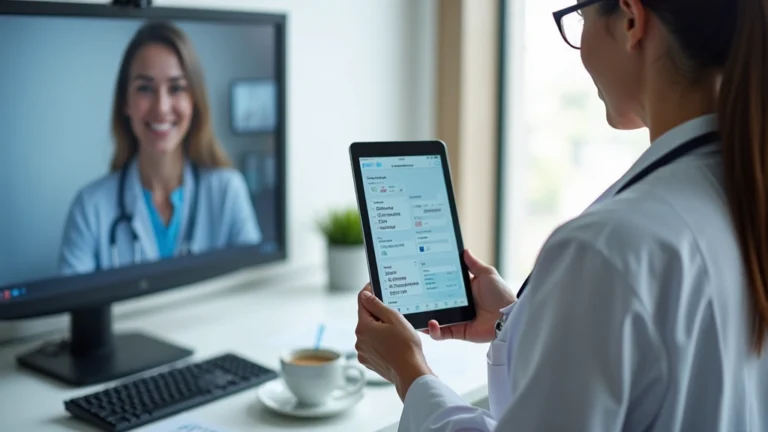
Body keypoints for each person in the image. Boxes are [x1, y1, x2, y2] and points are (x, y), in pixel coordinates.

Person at [354, 0, 768, 430]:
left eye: (580, 19)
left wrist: (409, 372)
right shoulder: (739, 191)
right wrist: (521, 321)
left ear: (630, 19)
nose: (581, 47)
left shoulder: (606, 248)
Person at [58, 21, 261, 275]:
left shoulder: (228, 191)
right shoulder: (89, 208)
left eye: (176, 88)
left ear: (194, 100)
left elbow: (253, 289)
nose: (162, 107)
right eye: (145, 88)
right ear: (125, 102)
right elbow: (77, 312)